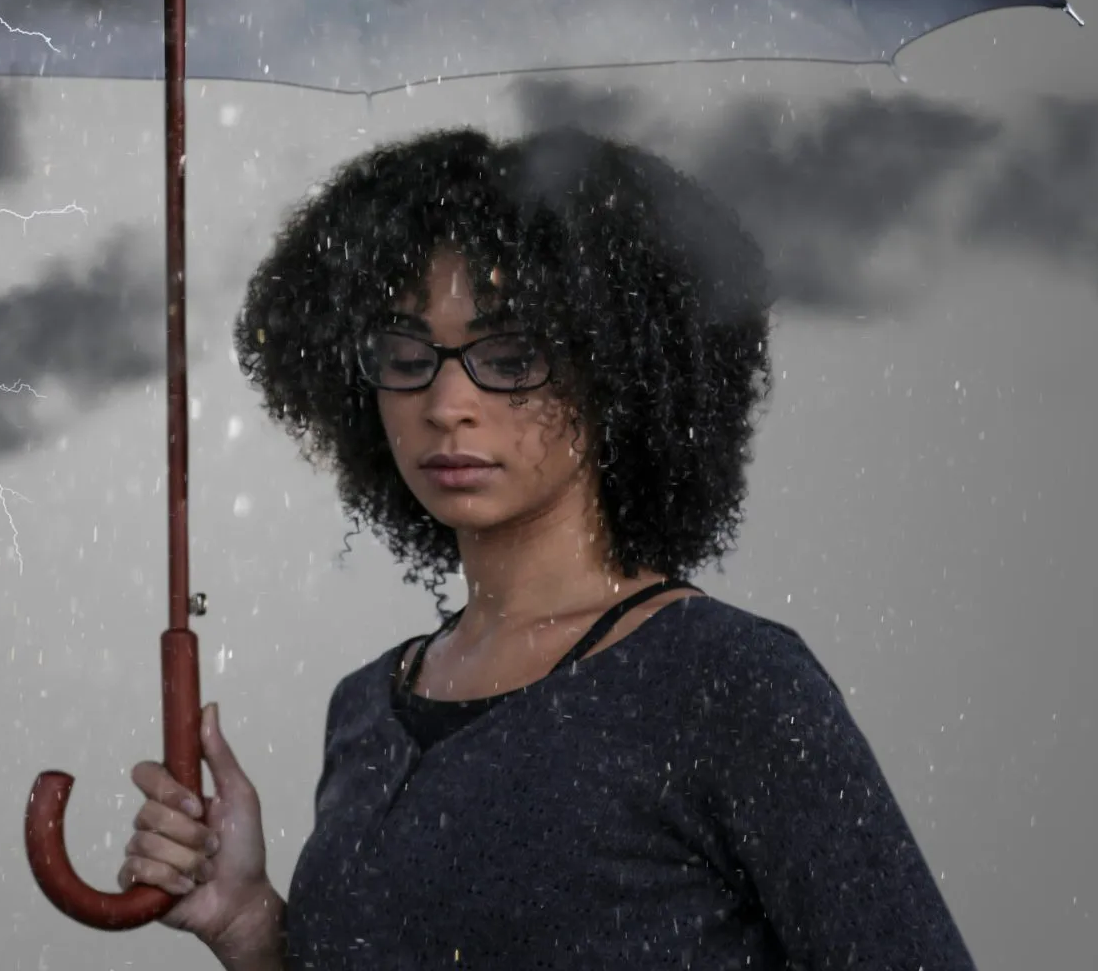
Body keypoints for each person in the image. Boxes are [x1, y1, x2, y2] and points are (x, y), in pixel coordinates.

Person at [115, 125, 977, 969]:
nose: (447, 403)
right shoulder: (368, 711)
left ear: (619, 369)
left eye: (511, 355)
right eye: (406, 353)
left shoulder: (729, 685)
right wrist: (251, 928)